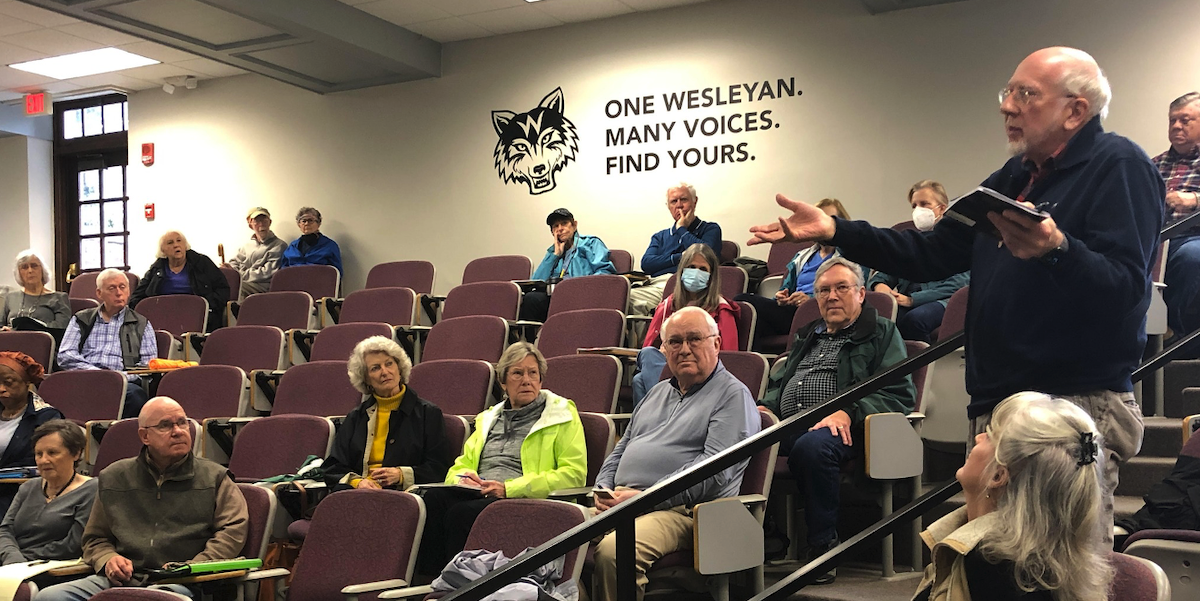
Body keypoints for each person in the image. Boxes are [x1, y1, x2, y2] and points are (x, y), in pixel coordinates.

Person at [749, 47, 1160, 543]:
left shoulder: (1119, 165)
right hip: (996, 403)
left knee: (1063, 572)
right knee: (995, 571)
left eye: (1026, 94)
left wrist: (1057, 249)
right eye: (1007, 93)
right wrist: (837, 230)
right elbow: (927, 253)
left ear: (1075, 109)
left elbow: (1127, 291)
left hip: (1071, 401)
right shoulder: (1013, 179)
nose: (1008, 106)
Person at [758, 258, 915, 583]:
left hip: (853, 428)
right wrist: (764, 411)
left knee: (812, 447)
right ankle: (763, 535)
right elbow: (779, 383)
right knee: (745, 439)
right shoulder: (808, 335)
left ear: (860, 294)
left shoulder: (882, 331)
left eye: (841, 288)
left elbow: (898, 393)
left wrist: (849, 410)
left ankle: (823, 548)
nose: (832, 296)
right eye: (824, 290)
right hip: (792, 424)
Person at [592, 307, 760, 601]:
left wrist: (646, 498)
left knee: (615, 551)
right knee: (553, 536)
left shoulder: (732, 395)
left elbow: (714, 473)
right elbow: (623, 447)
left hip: (689, 513)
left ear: (717, 344)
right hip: (625, 502)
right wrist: (603, 487)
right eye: (675, 342)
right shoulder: (657, 392)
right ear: (664, 348)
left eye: (694, 339)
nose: (684, 349)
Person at [36, 397, 248, 600]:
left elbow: (232, 532)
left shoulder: (215, 477)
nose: (178, 432)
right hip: (123, 578)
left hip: (184, 580)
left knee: (151, 599)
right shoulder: (114, 477)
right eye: (165, 425)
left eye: (182, 423)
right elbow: (95, 539)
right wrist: (108, 559)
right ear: (145, 436)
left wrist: (192, 566)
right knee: (50, 597)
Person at [913, 392, 1109, 601]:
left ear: (997, 475)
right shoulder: (1042, 560)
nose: (978, 437)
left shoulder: (990, 566)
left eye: (989, 436)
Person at [417, 342, 586, 575]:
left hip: (527, 500)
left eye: (532, 373)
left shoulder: (562, 415)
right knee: (433, 499)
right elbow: (462, 463)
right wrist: (464, 478)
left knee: (461, 514)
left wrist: (509, 488)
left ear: (541, 380)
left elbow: (573, 475)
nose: (526, 380)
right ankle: (428, 585)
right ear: (503, 382)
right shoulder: (489, 418)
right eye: (517, 373)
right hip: (481, 493)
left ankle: (457, 588)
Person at [324, 336, 449, 490]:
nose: (385, 372)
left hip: (404, 493)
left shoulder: (428, 414)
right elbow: (333, 468)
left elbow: (440, 468)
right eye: (375, 368)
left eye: (389, 364)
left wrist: (401, 474)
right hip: (360, 492)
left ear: (399, 368)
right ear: (366, 379)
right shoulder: (356, 417)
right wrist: (358, 483)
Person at [631, 243, 740, 405]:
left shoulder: (722, 309)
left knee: (640, 380)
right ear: (681, 271)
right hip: (670, 367)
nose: (696, 273)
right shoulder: (667, 305)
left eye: (703, 269)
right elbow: (649, 348)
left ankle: (666, 409)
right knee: (643, 366)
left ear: (712, 276)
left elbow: (731, 357)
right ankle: (666, 414)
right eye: (691, 267)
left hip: (701, 372)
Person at [735, 199, 850, 350]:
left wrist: (810, 300)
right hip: (792, 311)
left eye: (828, 220)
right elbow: (785, 290)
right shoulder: (802, 257)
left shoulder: (850, 256)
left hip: (819, 312)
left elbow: (850, 293)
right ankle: (752, 368)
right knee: (750, 320)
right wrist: (781, 297)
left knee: (742, 300)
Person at [867, 181, 970, 342]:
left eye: (924, 204)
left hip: (943, 301)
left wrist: (912, 300)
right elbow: (886, 271)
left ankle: (919, 367)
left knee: (915, 321)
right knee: (882, 322)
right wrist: (880, 286)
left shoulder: (957, 239)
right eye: (914, 205)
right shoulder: (911, 241)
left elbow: (958, 284)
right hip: (905, 299)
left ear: (942, 208)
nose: (918, 210)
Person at [58, 268, 157, 419]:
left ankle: (115, 437)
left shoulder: (142, 324)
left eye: (122, 287)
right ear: (99, 293)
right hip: (84, 378)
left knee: (136, 398)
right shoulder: (81, 319)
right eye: (112, 288)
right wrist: (96, 373)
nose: (118, 292)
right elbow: (65, 355)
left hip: (122, 384)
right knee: (54, 392)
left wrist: (117, 378)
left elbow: (148, 367)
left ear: (129, 290)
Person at [0, 419, 96, 565]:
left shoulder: (91, 489)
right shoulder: (28, 487)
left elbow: (73, 545)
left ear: (76, 454)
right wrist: (13, 558)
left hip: (51, 568)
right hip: (12, 563)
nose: (44, 460)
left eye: (52, 453)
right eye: (39, 454)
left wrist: (23, 561)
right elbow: (5, 530)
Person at [1152, 91, 1200, 357]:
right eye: (1173, 120)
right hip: (1157, 237)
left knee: (1192, 258)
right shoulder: (1153, 164)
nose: (1177, 126)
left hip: (1193, 236)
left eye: (1185, 120)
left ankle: (1172, 332)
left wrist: (1193, 200)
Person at [628, 183, 723, 316]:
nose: (679, 205)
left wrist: (681, 229)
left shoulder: (710, 229)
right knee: (621, 297)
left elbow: (705, 254)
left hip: (690, 286)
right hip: (656, 284)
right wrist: (680, 257)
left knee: (632, 301)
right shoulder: (660, 236)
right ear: (668, 206)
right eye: (673, 201)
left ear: (694, 202)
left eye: (683, 200)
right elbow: (647, 264)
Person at [520, 208, 618, 321]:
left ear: (574, 225)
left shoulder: (590, 243)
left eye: (564, 223)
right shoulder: (553, 252)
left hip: (582, 295)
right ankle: (529, 338)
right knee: (531, 298)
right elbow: (536, 282)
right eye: (555, 226)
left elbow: (604, 272)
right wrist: (555, 255)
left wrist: (582, 288)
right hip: (557, 297)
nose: (560, 229)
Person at [0, 352, 64, 516]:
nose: (1, 389)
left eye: (8, 383)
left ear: (27, 382)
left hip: (21, 494)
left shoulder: (46, 416)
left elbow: (47, 463)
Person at [130, 231, 229, 333]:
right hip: (163, 317)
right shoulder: (157, 268)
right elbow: (137, 296)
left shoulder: (201, 262)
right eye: (170, 242)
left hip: (195, 316)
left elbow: (223, 289)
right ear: (163, 250)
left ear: (185, 245)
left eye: (179, 241)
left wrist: (206, 306)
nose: (176, 245)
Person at [222, 207, 287, 301]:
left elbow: (267, 273)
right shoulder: (247, 246)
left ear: (270, 222)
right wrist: (229, 269)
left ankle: (235, 314)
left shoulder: (279, 245)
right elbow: (234, 262)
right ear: (250, 224)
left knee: (236, 287)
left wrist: (239, 275)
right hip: (245, 283)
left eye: (264, 220)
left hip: (263, 287)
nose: (261, 224)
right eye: (257, 221)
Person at [0, 250, 70, 330]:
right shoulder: (10, 297)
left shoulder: (59, 298)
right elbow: (1, 325)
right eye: (24, 267)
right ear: (18, 273)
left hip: (42, 341)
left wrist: (24, 330)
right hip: (11, 341)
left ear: (42, 270)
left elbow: (61, 328)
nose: (30, 270)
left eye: (34, 266)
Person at [281, 207, 342, 273]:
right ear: (299, 224)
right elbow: (283, 272)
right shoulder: (292, 247)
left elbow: (336, 274)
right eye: (304, 221)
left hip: (319, 282)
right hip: (294, 282)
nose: (307, 223)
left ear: (318, 223)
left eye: (310, 220)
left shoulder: (330, 246)